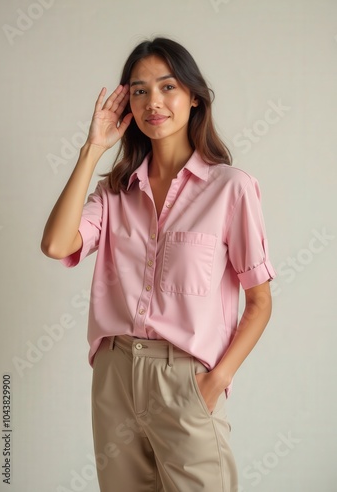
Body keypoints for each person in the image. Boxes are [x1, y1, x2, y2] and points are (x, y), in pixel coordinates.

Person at [41, 37, 275, 492]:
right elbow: (55, 244)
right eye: (139, 90)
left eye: (168, 87)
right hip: (115, 377)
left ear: (193, 97)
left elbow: (260, 301)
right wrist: (93, 149)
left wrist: (215, 380)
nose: (154, 102)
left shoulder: (232, 189)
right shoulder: (115, 192)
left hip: (186, 378)